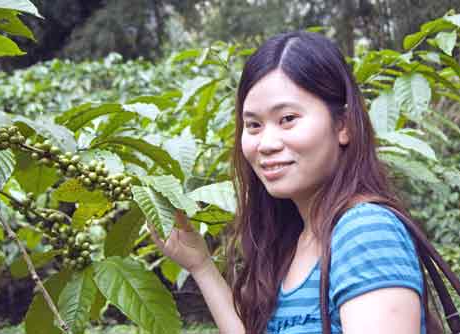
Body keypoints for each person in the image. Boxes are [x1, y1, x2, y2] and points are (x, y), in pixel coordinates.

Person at [148, 31, 433, 334]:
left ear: (343, 125)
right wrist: (201, 266)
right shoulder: (297, 241)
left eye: (287, 118)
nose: (266, 143)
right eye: (254, 125)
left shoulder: (365, 232)